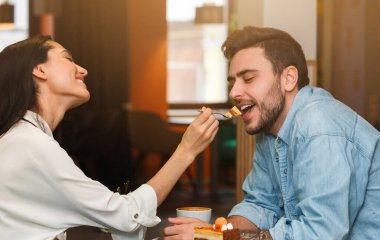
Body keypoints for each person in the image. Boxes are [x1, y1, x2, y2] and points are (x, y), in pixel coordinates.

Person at [163, 26, 380, 240]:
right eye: (232, 82)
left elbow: (320, 233)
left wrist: (222, 239)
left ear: (288, 78)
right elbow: (260, 204)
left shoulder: (319, 127)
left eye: (248, 79)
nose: (234, 93)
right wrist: (215, 233)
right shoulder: (271, 129)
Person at [0, 35, 219, 240]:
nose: (83, 70)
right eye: (68, 59)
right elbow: (126, 215)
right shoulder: (31, 144)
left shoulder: (23, 139)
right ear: (39, 70)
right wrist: (186, 151)